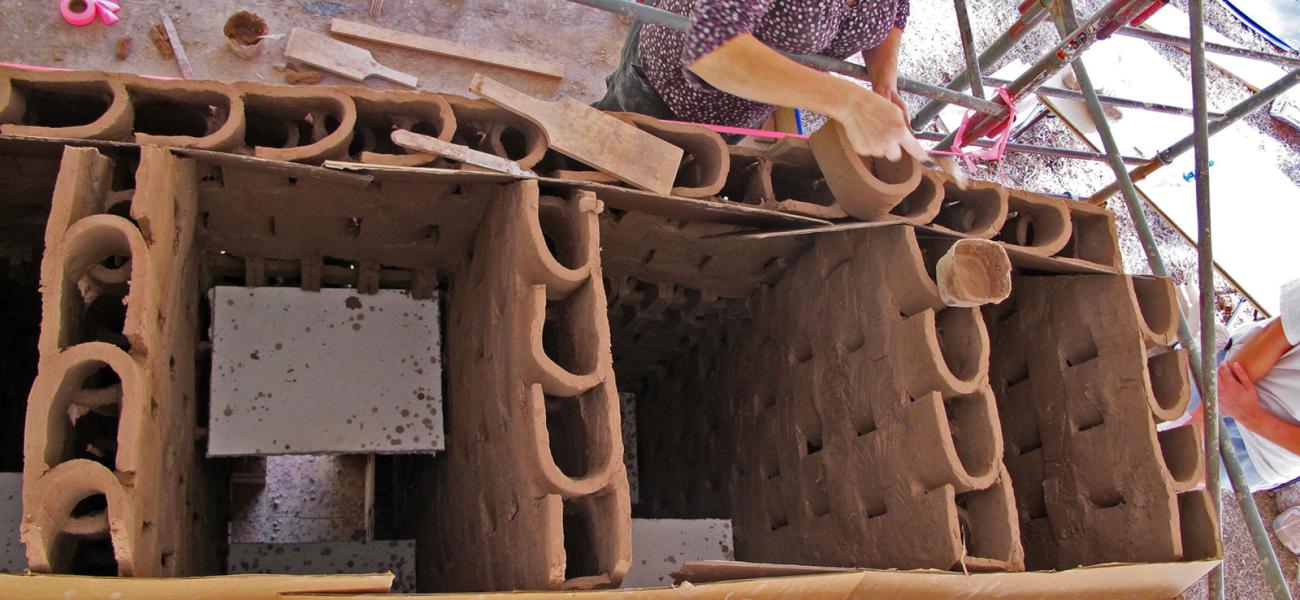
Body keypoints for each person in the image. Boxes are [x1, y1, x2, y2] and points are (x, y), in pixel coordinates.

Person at [593, 0, 926, 163]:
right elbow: (713, 46)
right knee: (603, 148)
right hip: (669, 81)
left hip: (747, 104)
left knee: (673, 164)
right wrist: (849, 103)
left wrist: (884, 84)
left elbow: (894, 13)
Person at [1181, 279, 1300, 492]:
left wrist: (1253, 417)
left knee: (1162, 474)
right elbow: (1278, 335)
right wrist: (1204, 415)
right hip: (1228, 380)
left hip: (1263, 452)